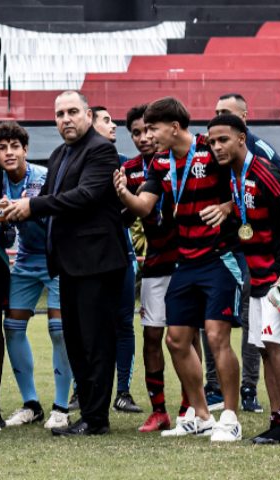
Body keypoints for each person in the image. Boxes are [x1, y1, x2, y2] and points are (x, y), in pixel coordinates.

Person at [114, 96, 245, 442]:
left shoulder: (210, 148)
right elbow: (145, 206)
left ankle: (229, 417)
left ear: (174, 127)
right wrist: (125, 193)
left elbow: (243, 182)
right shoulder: (160, 162)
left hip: (218, 257)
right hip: (184, 261)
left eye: (154, 128)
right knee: (175, 339)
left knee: (216, 337)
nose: (149, 135)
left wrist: (230, 206)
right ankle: (200, 415)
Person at [5, 90, 128, 437]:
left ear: (88, 115)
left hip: (98, 263)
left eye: (73, 111)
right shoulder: (60, 153)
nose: (66, 119)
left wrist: (34, 206)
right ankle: (87, 412)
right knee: (75, 341)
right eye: (60, 114)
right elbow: (46, 198)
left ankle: (97, 419)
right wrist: (16, 205)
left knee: (96, 341)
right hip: (69, 263)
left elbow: (86, 196)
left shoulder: (102, 150)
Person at [207, 114, 280, 444]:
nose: (217, 146)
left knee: (276, 349)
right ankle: (278, 420)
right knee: (265, 349)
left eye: (223, 139)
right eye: (212, 141)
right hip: (260, 274)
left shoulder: (264, 170)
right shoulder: (234, 176)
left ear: (241, 138)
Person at [0, 121, 73, 429]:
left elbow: (60, 216)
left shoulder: (44, 177)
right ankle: (31, 405)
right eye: (2, 147)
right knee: (12, 328)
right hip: (25, 261)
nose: (8, 152)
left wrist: (28, 208)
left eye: (14, 146)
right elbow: (6, 240)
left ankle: (61, 408)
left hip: (56, 260)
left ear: (25, 149)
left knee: (58, 330)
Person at [202, 93, 280, 414]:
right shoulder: (210, 151)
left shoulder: (262, 155)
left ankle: (249, 389)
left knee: (253, 322)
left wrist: (230, 206)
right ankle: (214, 387)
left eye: (226, 113)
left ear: (244, 121)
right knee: (212, 319)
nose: (218, 116)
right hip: (221, 249)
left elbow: (277, 199)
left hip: (256, 252)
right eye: (216, 111)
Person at [119, 104, 180, 432]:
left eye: (148, 130)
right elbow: (126, 218)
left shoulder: (182, 161)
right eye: (137, 133)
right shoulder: (127, 169)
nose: (145, 138)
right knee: (152, 335)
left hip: (187, 261)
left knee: (185, 336)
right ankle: (159, 411)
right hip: (155, 263)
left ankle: (189, 406)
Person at [91, 106, 142, 414]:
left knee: (123, 323)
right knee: (87, 326)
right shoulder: (72, 162)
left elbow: (140, 207)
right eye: (106, 120)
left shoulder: (125, 165)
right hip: (84, 260)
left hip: (122, 256)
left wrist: (121, 211)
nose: (113, 126)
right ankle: (81, 392)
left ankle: (122, 392)